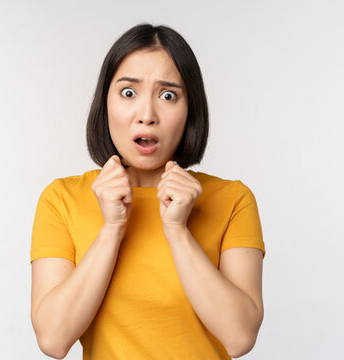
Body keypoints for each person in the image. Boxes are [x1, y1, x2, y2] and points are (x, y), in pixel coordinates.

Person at [29, 23, 265, 359]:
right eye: (128, 92)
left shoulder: (233, 200)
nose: (147, 115)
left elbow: (240, 337)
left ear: (190, 110)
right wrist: (111, 229)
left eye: (168, 95)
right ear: (105, 102)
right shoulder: (62, 199)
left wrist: (177, 230)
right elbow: (53, 340)